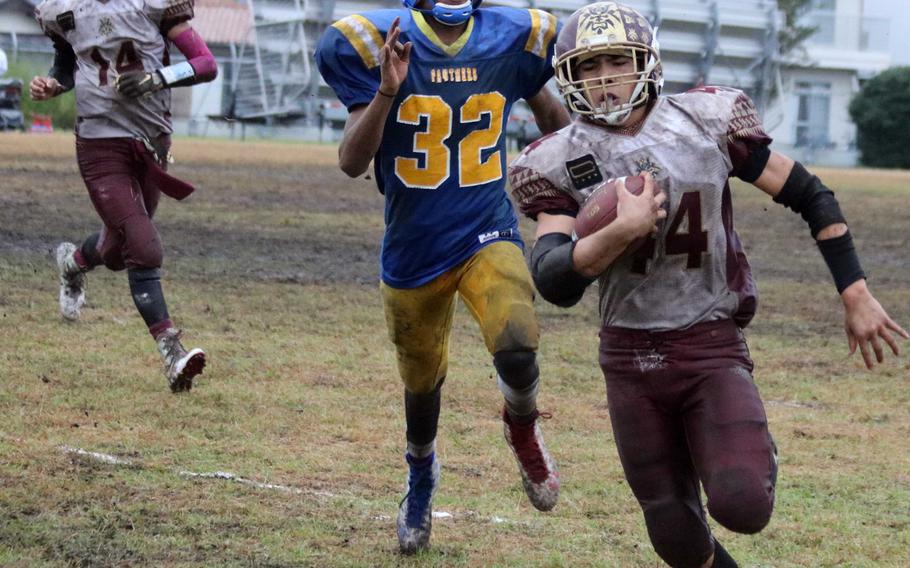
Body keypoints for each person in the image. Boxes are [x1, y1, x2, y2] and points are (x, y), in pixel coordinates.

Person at [508, 3, 908, 567]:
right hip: (627, 353)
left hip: (709, 340)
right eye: (589, 66)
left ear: (644, 62)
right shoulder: (560, 157)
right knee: (673, 529)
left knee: (743, 504)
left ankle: (742, 447)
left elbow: (811, 194)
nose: (604, 78)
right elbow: (554, 279)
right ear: (571, 77)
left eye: (617, 61)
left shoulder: (705, 122)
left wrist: (854, 290)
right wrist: (618, 233)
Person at [316, 0, 571, 554]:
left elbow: (552, 116)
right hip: (414, 247)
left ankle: (522, 427)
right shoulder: (381, 39)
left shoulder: (511, 37)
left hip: (487, 229)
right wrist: (387, 89)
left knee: (517, 344)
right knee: (421, 387)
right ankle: (420, 478)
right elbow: (350, 161)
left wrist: (571, 158)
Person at [32, 0, 218, 393]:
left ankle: (74, 262)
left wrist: (156, 79)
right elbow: (67, 63)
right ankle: (172, 352)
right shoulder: (64, 10)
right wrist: (54, 84)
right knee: (143, 246)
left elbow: (205, 63)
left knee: (119, 251)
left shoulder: (152, 5)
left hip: (151, 140)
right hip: (99, 143)